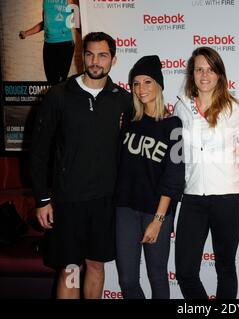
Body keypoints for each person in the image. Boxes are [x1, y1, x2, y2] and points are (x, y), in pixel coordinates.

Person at [30, 32, 131, 299]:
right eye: (90, 54)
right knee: (71, 269)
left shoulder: (123, 100)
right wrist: (42, 199)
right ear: (81, 56)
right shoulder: (60, 95)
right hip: (68, 202)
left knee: (96, 265)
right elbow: (39, 151)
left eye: (102, 55)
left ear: (114, 59)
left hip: (105, 203)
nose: (95, 61)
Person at [173, 46, 239, 299]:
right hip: (193, 198)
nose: (204, 75)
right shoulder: (181, 107)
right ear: (192, 74)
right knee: (184, 271)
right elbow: (176, 155)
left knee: (225, 267)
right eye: (199, 69)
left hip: (228, 198)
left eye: (210, 69)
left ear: (220, 74)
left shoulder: (236, 110)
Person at [114, 55, 185, 299]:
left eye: (147, 82)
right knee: (127, 280)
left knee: (157, 276)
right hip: (125, 209)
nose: (141, 89)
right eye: (136, 83)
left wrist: (158, 219)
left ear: (159, 85)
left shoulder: (173, 125)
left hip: (156, 212)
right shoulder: (129, 122)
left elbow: (174, 176)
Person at [19, 0, 79, 85]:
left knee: (61, 81)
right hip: (49, 45)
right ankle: (55, 97)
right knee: (51, 81)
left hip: (65, 44)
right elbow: (45, 23)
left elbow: (78, 22)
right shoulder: (46, 2)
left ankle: (61, 97)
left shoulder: (69, 0)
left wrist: (86, 36)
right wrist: (26, 33)